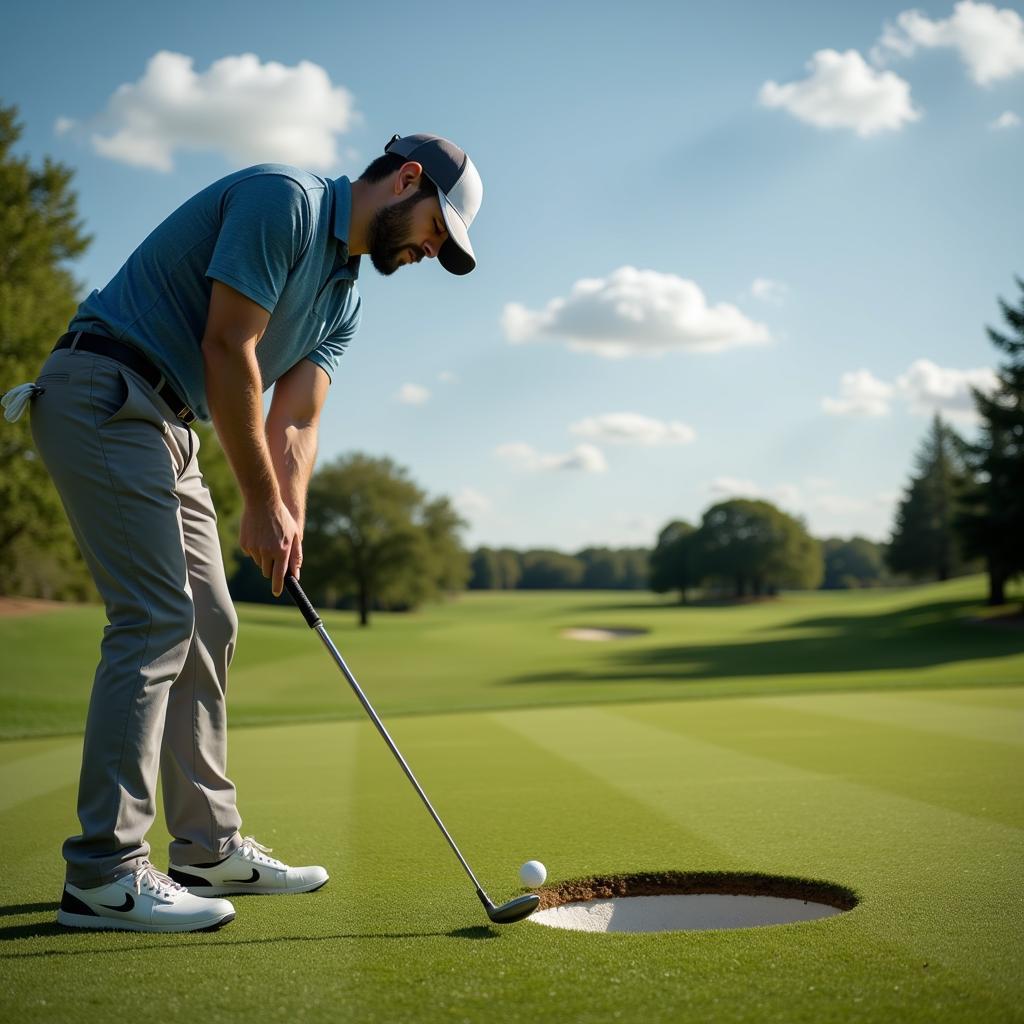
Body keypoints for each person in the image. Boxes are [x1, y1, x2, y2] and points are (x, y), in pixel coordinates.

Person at [16, 132, 483, 933]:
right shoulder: (286, 200)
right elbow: (229, 344)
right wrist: (257, 500)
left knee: (211, 621)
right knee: (156, 618)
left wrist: (285, 513)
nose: (429, 253)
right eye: (437, 232)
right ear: (407, 180)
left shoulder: (344, 298)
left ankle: (205, 846)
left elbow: (295, 419)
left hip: (168, 423)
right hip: (104, 388)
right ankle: (104, 873)